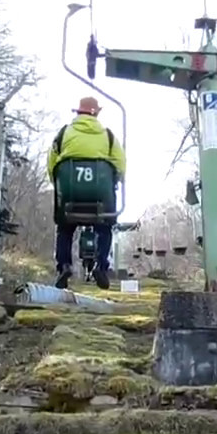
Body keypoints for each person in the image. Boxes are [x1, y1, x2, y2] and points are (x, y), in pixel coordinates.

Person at [46, 96, 126, 290]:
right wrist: (114, 181)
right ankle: (101, 265)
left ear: (78, 113)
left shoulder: (64, 133)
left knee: (65, 228)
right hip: (100, 195)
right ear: (96, 113)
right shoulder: (108, 136)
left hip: (70, 194)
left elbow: (52, 163)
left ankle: (64, 265)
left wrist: (58, 184)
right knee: (105, 226)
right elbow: (120, 165)